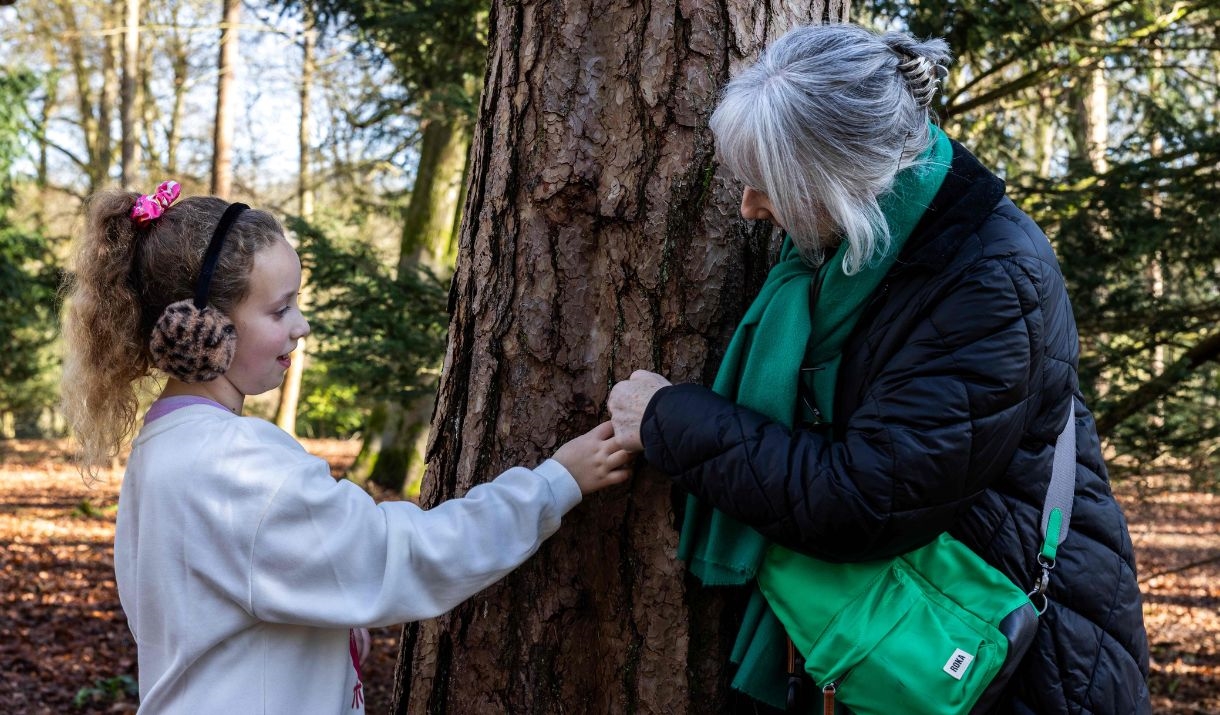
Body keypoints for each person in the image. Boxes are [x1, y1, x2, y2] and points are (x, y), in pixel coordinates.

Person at [608, 23, 1150, 715]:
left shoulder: (990, 279)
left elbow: (867, 499)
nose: (748, 207)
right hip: (897, 629)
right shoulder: (861, 253)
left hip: (1008, 659)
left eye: (768, 184)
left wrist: (668, 420)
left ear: (840, 181)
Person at [60, 182, 634, 714]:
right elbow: (401, 556)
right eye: (279, 309)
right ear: (200, 327)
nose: (301, 325)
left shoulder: (166, 443)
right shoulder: (234, 467)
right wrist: (555, 484)